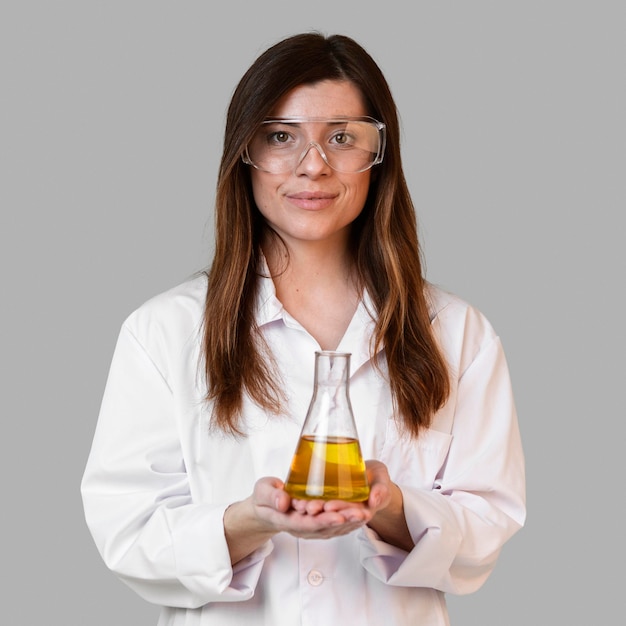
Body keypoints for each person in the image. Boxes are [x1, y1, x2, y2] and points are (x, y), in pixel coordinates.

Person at [81, 32, 526, 626]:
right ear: (245, 153)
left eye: (341, 138)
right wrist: (250, 520)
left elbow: (487, 525)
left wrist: (392, 509)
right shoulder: (165, 332)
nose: (312, 165)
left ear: (379, 154)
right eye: (281, 137)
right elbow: (127, 530)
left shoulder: (456, 332)